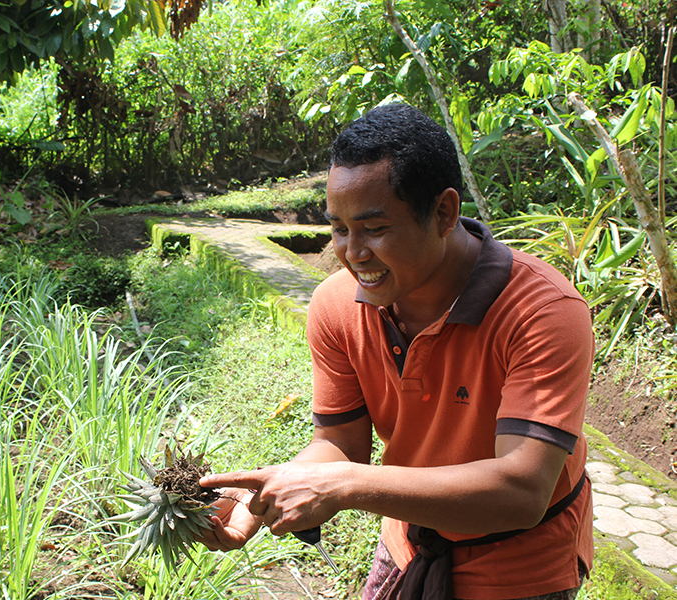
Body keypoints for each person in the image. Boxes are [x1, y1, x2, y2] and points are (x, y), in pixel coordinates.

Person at [198, 103, 593, 600]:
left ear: (444, 212)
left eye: (375, 228)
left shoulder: (543, 312)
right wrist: (275, 486)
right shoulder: (337, 306)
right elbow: (341, 443)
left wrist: (346, 485)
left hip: (519, 565)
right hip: (411, 539)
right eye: (339, 228)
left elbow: (521, 492)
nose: (352, 253)